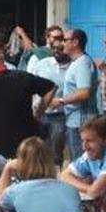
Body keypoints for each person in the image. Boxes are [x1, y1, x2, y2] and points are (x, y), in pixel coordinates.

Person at [51, 28, 98, 159]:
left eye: (65, 40)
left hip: (81, 122)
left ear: (75, 42)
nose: (62, 44)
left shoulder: (83, 63)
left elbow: (84, 93)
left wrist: (60, 101)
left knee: (81, 161)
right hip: (74, 120)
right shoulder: (77, 63)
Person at [30, 30, 71, 165]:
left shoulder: (73, 67)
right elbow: (30, 85)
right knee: (37, 149)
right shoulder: (42, 64)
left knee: (55, 152)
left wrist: (60, 101)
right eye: (54, 49)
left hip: (60, 116)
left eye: (61, 49)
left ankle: (54, 178)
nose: (57, 52)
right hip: (39, 114)